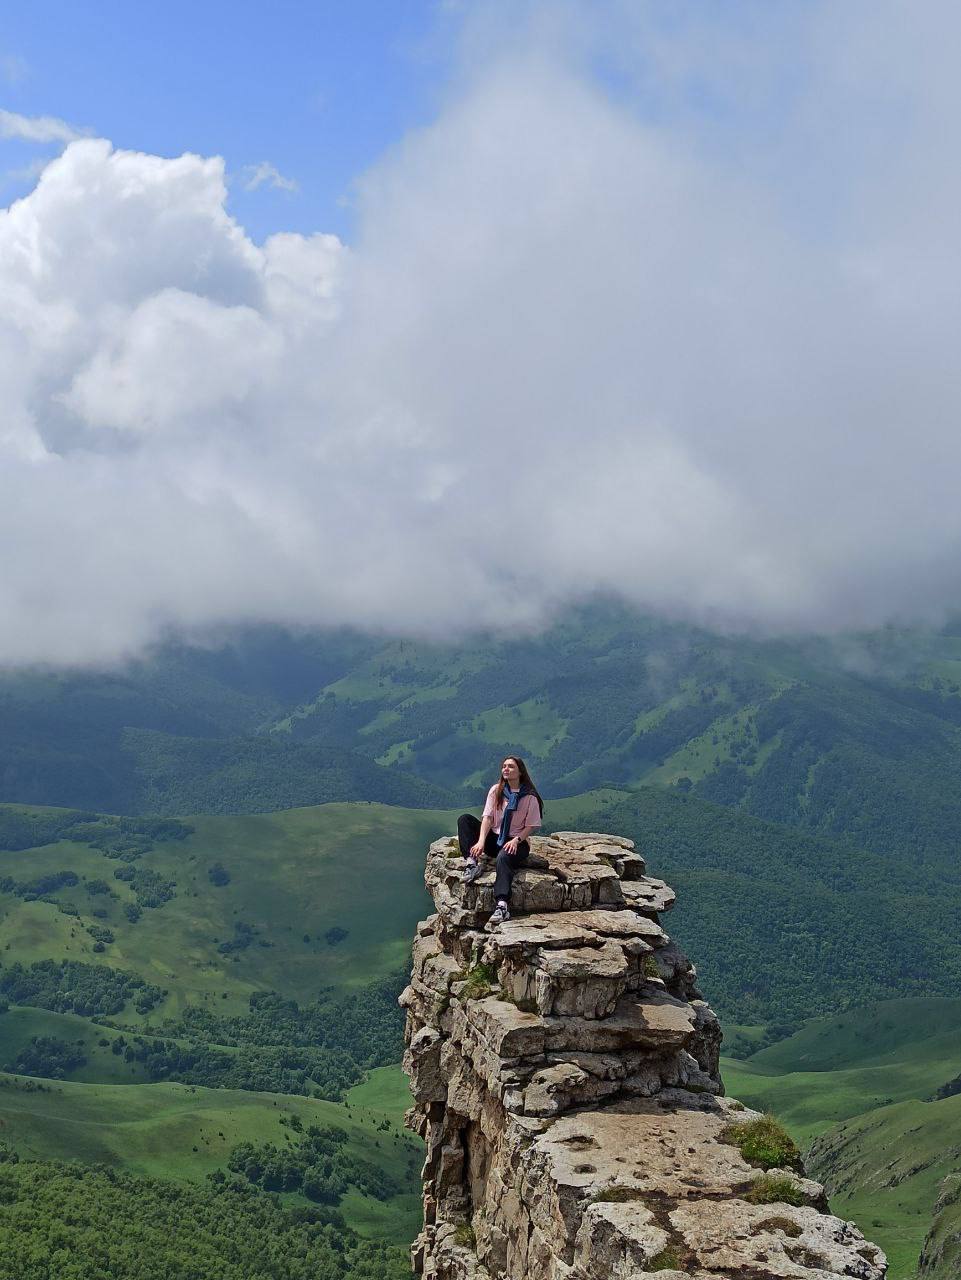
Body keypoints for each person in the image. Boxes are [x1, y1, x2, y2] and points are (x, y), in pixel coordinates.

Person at [457, 756, 544, 926]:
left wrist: (516, 840)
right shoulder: (496, 791)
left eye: (511, 766)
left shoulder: (529, 797)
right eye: (504, 766)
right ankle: (471, 863)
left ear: (520, 771)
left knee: (503, 858)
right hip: (495, 839)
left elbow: (531, 825)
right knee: (464, 820)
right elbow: (488, 818)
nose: (506, 769)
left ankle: (502, 905)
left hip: (517, 842)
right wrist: (481, 841)